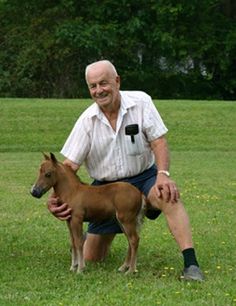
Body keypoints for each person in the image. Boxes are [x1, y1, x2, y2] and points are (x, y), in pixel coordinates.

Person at [48, 60, 204, 281]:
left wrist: (163, 175)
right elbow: (68, 167)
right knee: (92, 256)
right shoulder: (86, 122)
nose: (99, 90)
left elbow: (159, 142)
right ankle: (93, 235)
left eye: (104, 83)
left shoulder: (141, 102)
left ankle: (191, 265)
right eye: (93, 86)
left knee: (169, 196)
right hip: (106, 191)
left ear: (117, 81)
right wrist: (56, 200)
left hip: (144, 178)